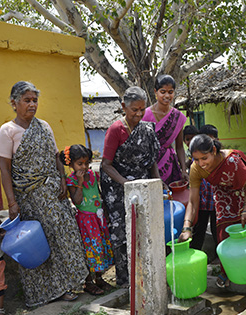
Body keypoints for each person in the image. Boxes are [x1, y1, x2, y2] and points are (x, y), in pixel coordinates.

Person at [0, 81, 88, 306]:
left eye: (34, 100)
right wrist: (11, 202)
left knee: (64, 236)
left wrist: (62, 182)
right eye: (27, 100)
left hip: (53, 193)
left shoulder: (44, 126)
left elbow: (56, 157)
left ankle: (71, 283)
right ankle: (48, 292)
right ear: (14, 103)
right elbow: (4, 169)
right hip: (28, 196)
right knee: (40, 242)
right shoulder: (7, 131)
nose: (32, 104)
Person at [178, 134, 246, 287]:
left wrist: (245, 209)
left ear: (214, 151)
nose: (201, 163)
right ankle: (228, 271)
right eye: (196, 159)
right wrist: (187, 227)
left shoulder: (232, 161)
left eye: (204, 158)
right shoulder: (195, 169)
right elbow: (192, 201)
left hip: (245, 188)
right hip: (222, 190)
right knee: (224, 231)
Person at [100, 86, 161, 287]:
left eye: (142, 109)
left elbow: (151, 161)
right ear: (123, 107)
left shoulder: (147, 129)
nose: (138, 114)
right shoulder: (116, 130)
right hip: (118, 188)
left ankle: (145, 273)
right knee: (122, 233)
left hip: (142, 187)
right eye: (134, 109)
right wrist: (127, 185)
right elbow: (106, 165)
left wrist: (157, 184)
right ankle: (125, 279)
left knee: (144, 229)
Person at [60, 144, 114, 295]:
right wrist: (80, 181)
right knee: (91, 249)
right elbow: (77, 200)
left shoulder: (93, 175)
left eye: (86, 163)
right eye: (79, 164)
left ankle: (99, 278)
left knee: (101, 246)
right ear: (70, 164)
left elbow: (99, 193)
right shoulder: (72, 180)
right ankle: (88, 282)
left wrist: (105, 211)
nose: (84, 166)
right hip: (86, 221)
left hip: (98, 218)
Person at [142, 74, 189, 185]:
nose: (167, 95)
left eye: (170, 92)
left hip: (169, 165)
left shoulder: (178, 117)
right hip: (149, 165)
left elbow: (179, 147)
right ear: (155, 92)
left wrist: (183, 169)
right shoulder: (145, 115)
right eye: (163, 92)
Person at [190, 125, 218, 252]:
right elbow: (193, 198)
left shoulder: (223, 160)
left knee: (217, 229)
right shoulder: (196, 165)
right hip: (203, 202)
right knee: (199, 230)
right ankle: (195, 253)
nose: (201, 162)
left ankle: (220, 257)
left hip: (217, 203)